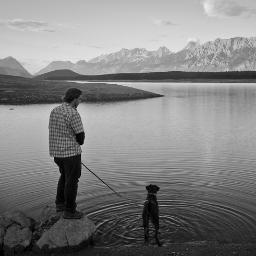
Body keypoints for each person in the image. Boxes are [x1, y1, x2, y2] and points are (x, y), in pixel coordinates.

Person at [49, 88, 85, 219]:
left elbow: (54, 131)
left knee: (64, 176)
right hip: (71, 154)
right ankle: (70, 211)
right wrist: (73, 141)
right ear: (74, 99)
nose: (80, 101)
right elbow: (81, 139)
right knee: (72, 181)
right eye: (80, 99)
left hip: (57, 154)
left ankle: (60, 204)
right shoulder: (73, 113)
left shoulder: (55, 110)